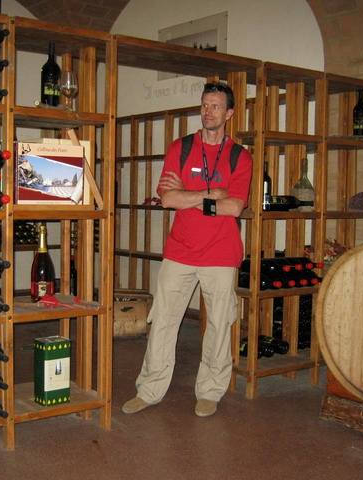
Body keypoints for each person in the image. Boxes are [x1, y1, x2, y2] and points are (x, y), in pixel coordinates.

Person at [122, 82, 253, 417]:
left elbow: (235, 207)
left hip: (221, 253)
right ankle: (149, 390)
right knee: (162, 321)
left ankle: (210, 391)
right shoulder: (180, 148)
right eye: (205, 105)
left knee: (219, 324)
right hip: (180, 250)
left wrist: (190, 196)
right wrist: (212, 194)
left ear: (229, 113)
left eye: (215, 106)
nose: (208, 112)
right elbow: (168, 199)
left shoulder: (239, 156)